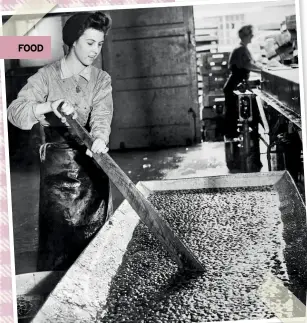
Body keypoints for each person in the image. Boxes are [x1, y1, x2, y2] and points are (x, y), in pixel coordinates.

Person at [7, 11, 114, 271]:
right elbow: (14, 112)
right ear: (73, 41)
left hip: (92, 168)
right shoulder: (46, 76)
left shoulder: (101, 79)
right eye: (90, 43)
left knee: (96, 250)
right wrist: (48, 106)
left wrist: (99, 138)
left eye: (99, 44)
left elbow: (101, 116)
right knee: (59, 247)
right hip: (57, 172)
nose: (95, 51)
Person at [223, 24, 262, 139]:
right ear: (246, 36)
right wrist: (263, 70)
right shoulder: (241, 49)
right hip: (234, 85)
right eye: (251, 34)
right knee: (232, 112)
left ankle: (233, 136)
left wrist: (261, 67)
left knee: (233, 112)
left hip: (234, 84)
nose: (252, 36)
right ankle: (232, 138)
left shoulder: (242, 48)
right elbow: (247, 64)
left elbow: (250, 63)